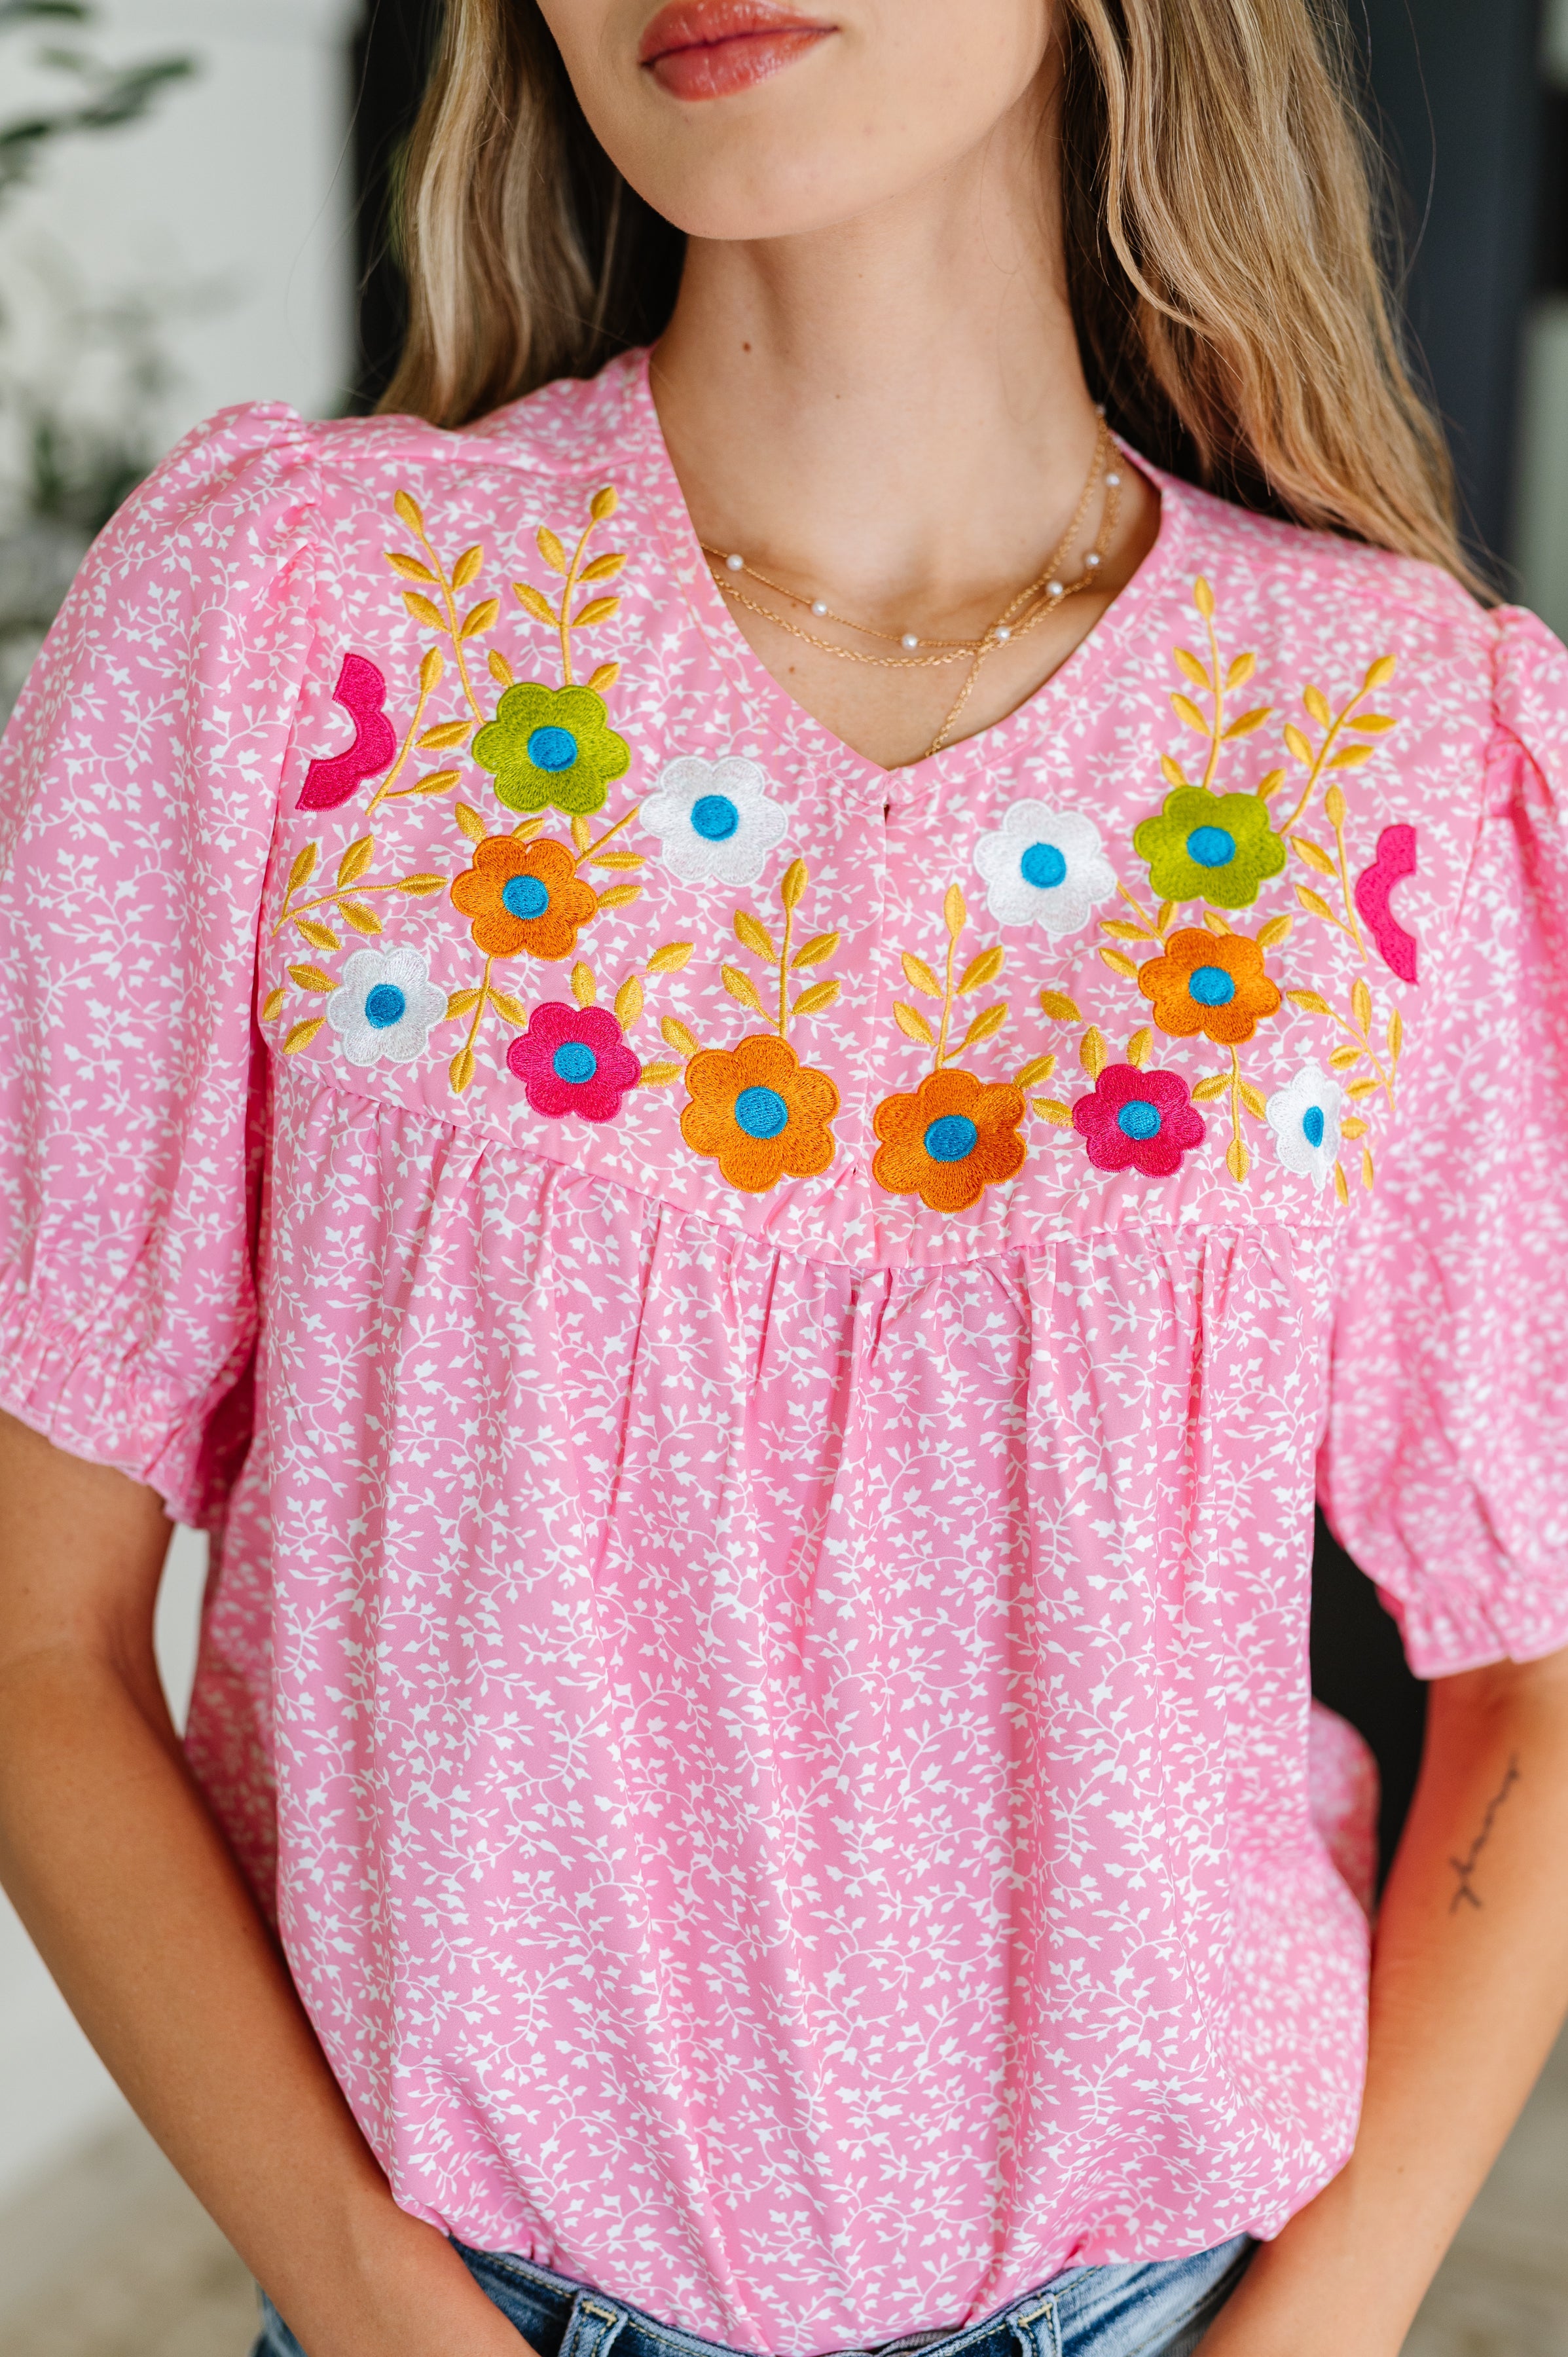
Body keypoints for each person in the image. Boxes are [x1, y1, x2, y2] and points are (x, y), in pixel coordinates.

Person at [3, 2, 1568, 2353]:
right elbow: (33, 1638)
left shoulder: (1390, 741)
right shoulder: (293, 624)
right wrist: (382, 2309)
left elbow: (1537, 1681)